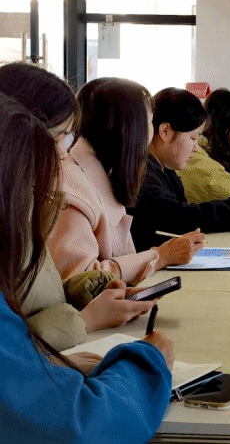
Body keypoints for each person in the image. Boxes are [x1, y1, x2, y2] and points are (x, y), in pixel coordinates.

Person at [0, 93, 174, 441]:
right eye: (61, 138)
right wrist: (146, 364)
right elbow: (79, 424)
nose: (63, 157)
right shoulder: (69, 191)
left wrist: (45, 368)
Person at [0, 64, 155, 351]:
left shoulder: (20, 203)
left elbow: (34, 295)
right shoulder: (60, 188)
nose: (64, 152)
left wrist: (87, 289)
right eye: (59, 136)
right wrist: (86, 320)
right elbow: (11, 347)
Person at [49, 78, 203, 285]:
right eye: (149, 122)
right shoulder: (72, 187)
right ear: (130, 129)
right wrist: (159, 256)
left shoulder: (103, 173)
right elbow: (80, 280)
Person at [129, 88, 230, 252]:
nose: (196, 147)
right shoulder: (141, 173)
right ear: (165, 131)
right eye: (193, 138)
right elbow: (175, 218)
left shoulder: (166, 171)